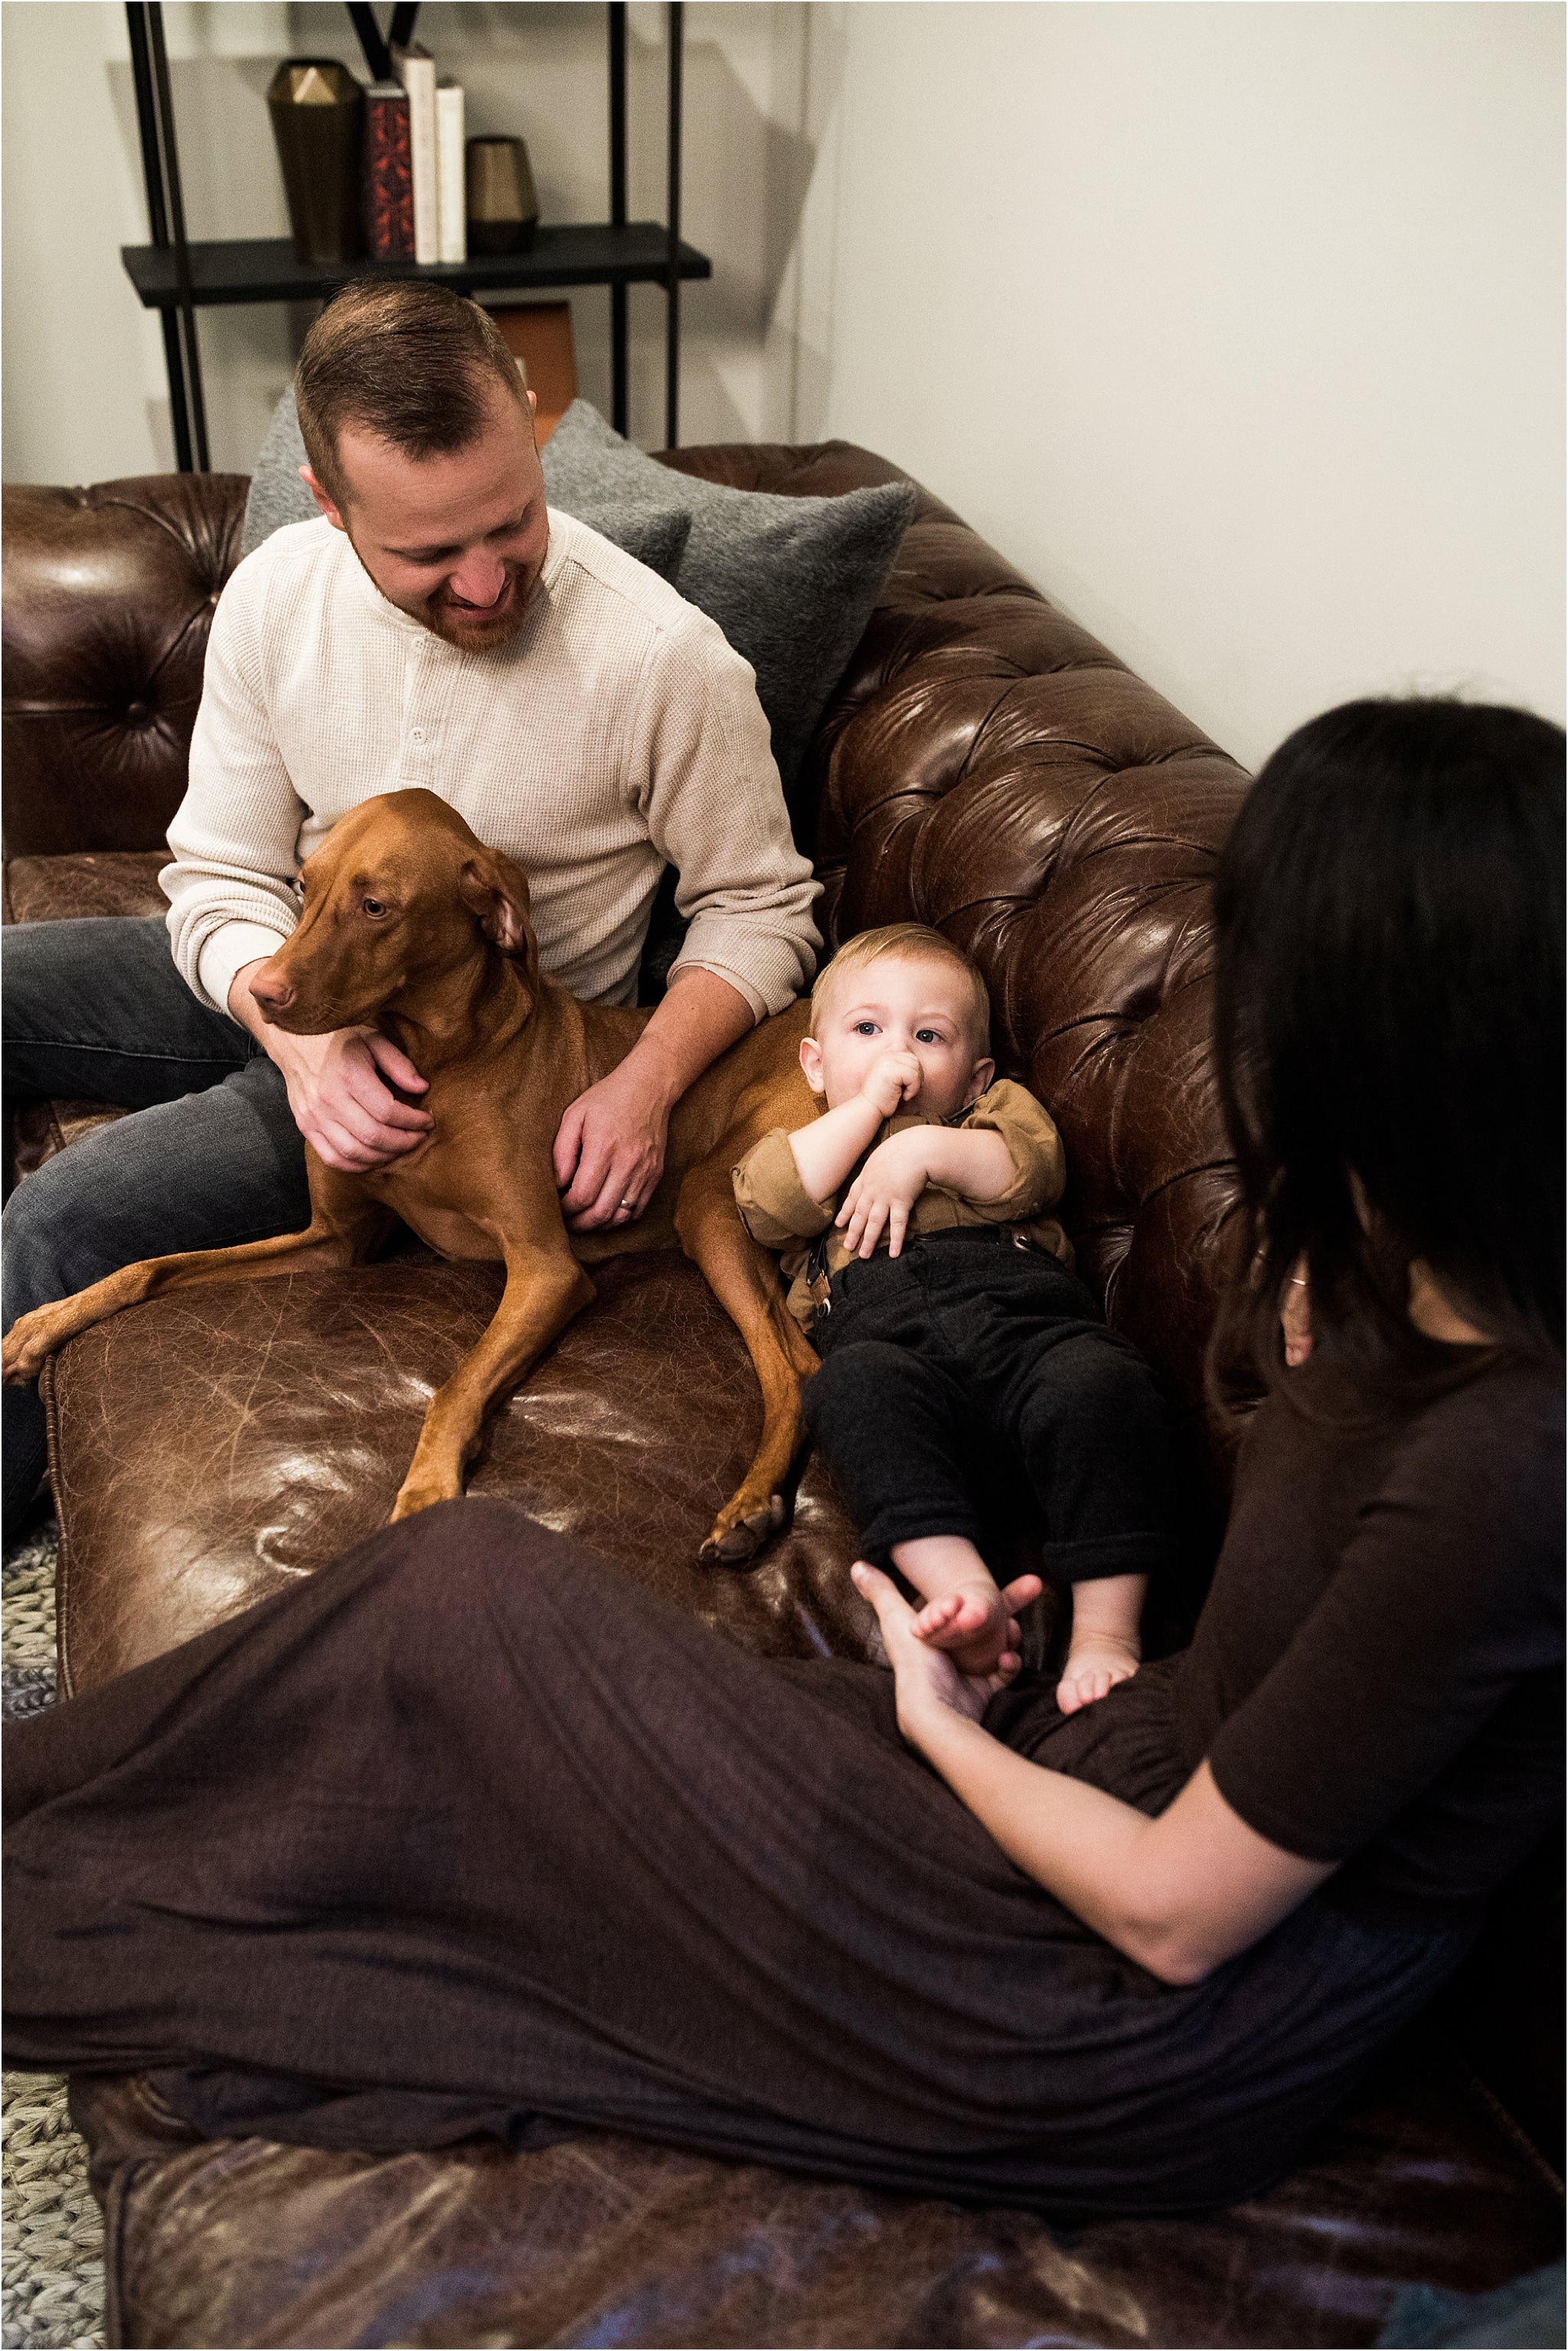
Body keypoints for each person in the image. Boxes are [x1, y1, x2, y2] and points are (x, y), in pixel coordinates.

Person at [4, 698, 1561, 2221]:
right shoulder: (1379, 1252)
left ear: (1389, 1026)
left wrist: (943, 1724)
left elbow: (1173, 1917)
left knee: (464, 1602)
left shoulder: (1502, 1455)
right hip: (1109, 1788)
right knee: (448, 1677)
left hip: (1131, 2019)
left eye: (1270, 970)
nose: (1242, 1021)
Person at [0, 280, 819, 1540]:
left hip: (447, 1065)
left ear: (532, 429)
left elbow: (760, 911)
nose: (487, 584)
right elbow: (217, 875)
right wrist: (298, 1039)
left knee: (63, 1218)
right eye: (429, 555)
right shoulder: (277, 595)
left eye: (512, 524)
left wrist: (645, 1081)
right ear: (330, 504)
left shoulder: (661, 661)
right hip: (283, 986)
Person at [731, 923, 1174, 1708]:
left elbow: (1031, 1170)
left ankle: (1106, 1633)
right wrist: (867, 1112)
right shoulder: (808, 1147)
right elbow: (769, 1205)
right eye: (866, 1029)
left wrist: (921, 1152)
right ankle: (963, 1589)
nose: (897, 1052)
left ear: (974, 1078)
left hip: (1025, 1330)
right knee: (847, 1388)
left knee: (1104, 1382)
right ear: (813, 1062)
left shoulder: (985, 1119)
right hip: (891, 1352)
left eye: (927, 1035)